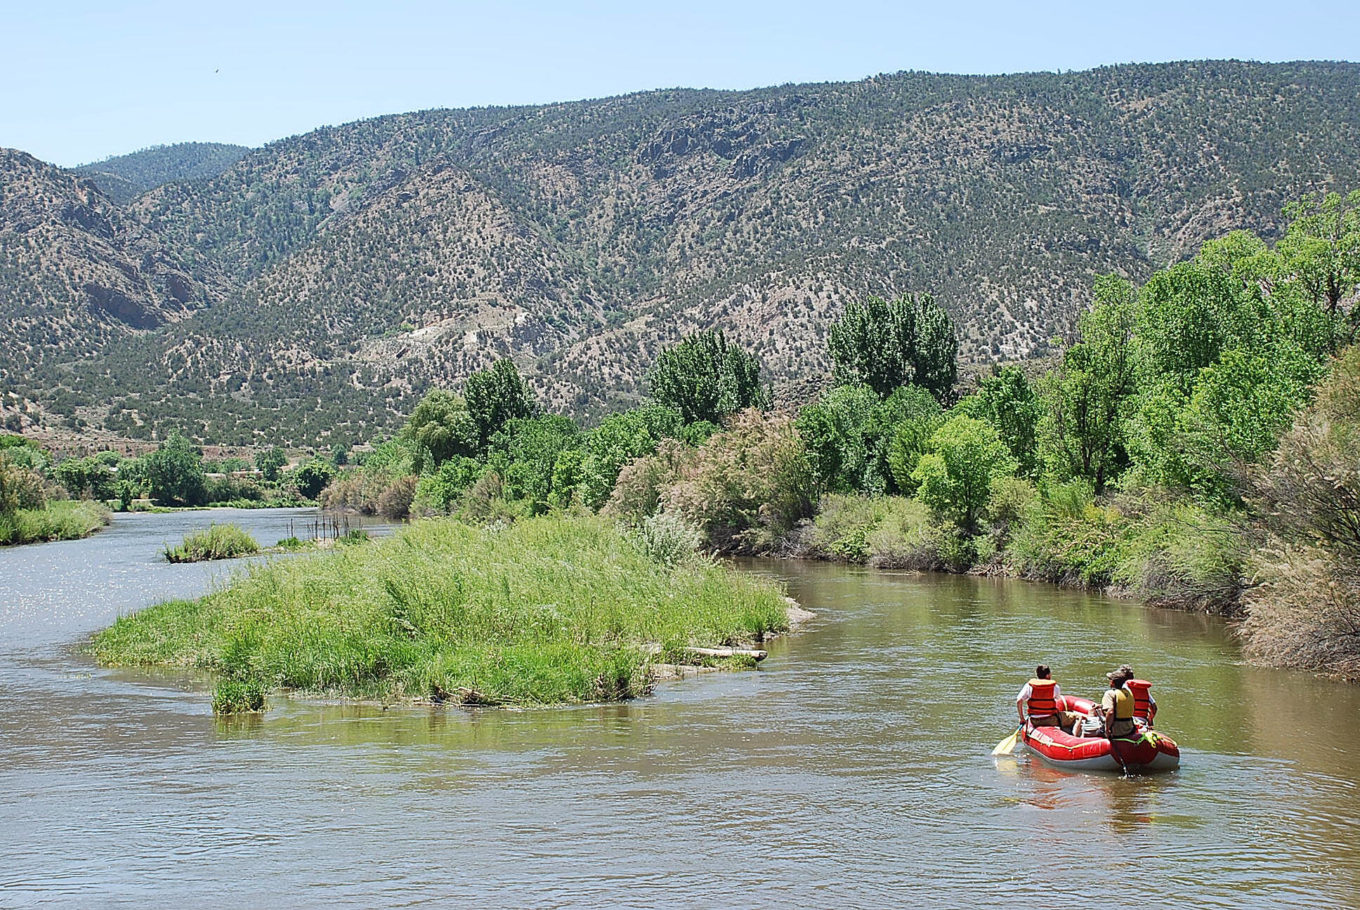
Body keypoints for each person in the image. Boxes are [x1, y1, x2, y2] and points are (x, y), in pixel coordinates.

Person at [1016, 664, 1079, 730]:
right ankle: (1075, 737)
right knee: (1078, 717)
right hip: (1050, 719)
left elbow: (1019, 700)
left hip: (1034, 720)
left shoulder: (1029, 686)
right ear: (1048, 675)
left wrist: (1022, 718)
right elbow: (1057, 698)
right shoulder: (1055, 687)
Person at [1102, 668, 1138, 740]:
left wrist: (1107, 730)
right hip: (1129, 729)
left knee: (1087, 729)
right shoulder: (1129, 692)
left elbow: (1111, 712)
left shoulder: (1110, 693)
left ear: (1112, 682)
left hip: (1117, 731)